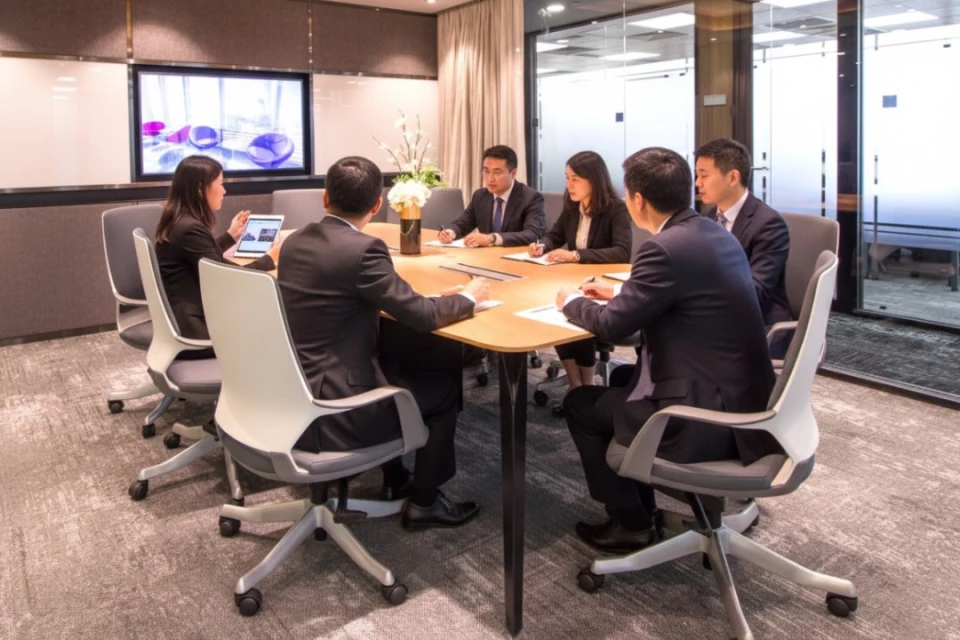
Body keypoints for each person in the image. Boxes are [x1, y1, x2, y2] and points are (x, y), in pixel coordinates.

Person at [557, 147, 779, 554]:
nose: (626, 201)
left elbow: (610, 326)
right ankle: (645, 506)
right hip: (748, 403)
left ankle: (632, 523)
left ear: (639, 200)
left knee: (581, 404)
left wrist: (570, 302)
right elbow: (688, 291)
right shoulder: (713, 232)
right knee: (625, 377)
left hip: (703, 418)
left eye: (627, 194)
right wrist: (624, 291)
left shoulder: (660, 249)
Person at [278, 156, 490, 531]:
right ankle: (425, 502)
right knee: (442, 388)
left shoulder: (295, 242)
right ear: (377, 205)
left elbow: (375, 298)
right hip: (336, 410)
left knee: (396, 362)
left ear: (325, 198)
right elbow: (421, 317)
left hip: (293, 389)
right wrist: (469, 297)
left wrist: (435, 298)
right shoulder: (364, 250)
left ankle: (395, 477)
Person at [526, 151, 632, 416]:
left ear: (593, 181)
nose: (569, 185)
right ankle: (576, 386)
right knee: (560, 309)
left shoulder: (615, 208)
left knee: (577, 312)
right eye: (567, 178)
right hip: (572, 278)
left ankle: (587, 386)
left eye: (575, 179)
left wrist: (575, 255)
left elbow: (621, 252)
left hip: (602, 284)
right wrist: (542, 246)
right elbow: (556, 234)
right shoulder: (572, 204)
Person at [155, 156, 281, 349]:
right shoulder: (190, 229)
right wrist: (269, 259)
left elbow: (206, 259)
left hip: (184, 317)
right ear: (199, 189)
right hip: (196, 332)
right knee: (275, 330)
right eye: (220, 184)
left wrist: (231, 235)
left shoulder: (179, 221)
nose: (224, 191)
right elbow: (225, 278)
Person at [695, 138, 792, 355]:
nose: (697, 183)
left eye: (704, 175)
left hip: (758, 324)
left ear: (732, 177)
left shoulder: (768, 224)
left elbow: (755, 291)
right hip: (715, 317)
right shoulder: (708, 216)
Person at [437, 145, 544, 247]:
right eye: (486, 171)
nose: (490, 178)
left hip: (515, 260)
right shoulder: (480, 196)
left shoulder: (530, 197)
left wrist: (492, 239)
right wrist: (450, 232)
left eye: (497, 172)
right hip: (486, 258)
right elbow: (463, 223)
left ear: (513, 173)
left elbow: (533, 234)